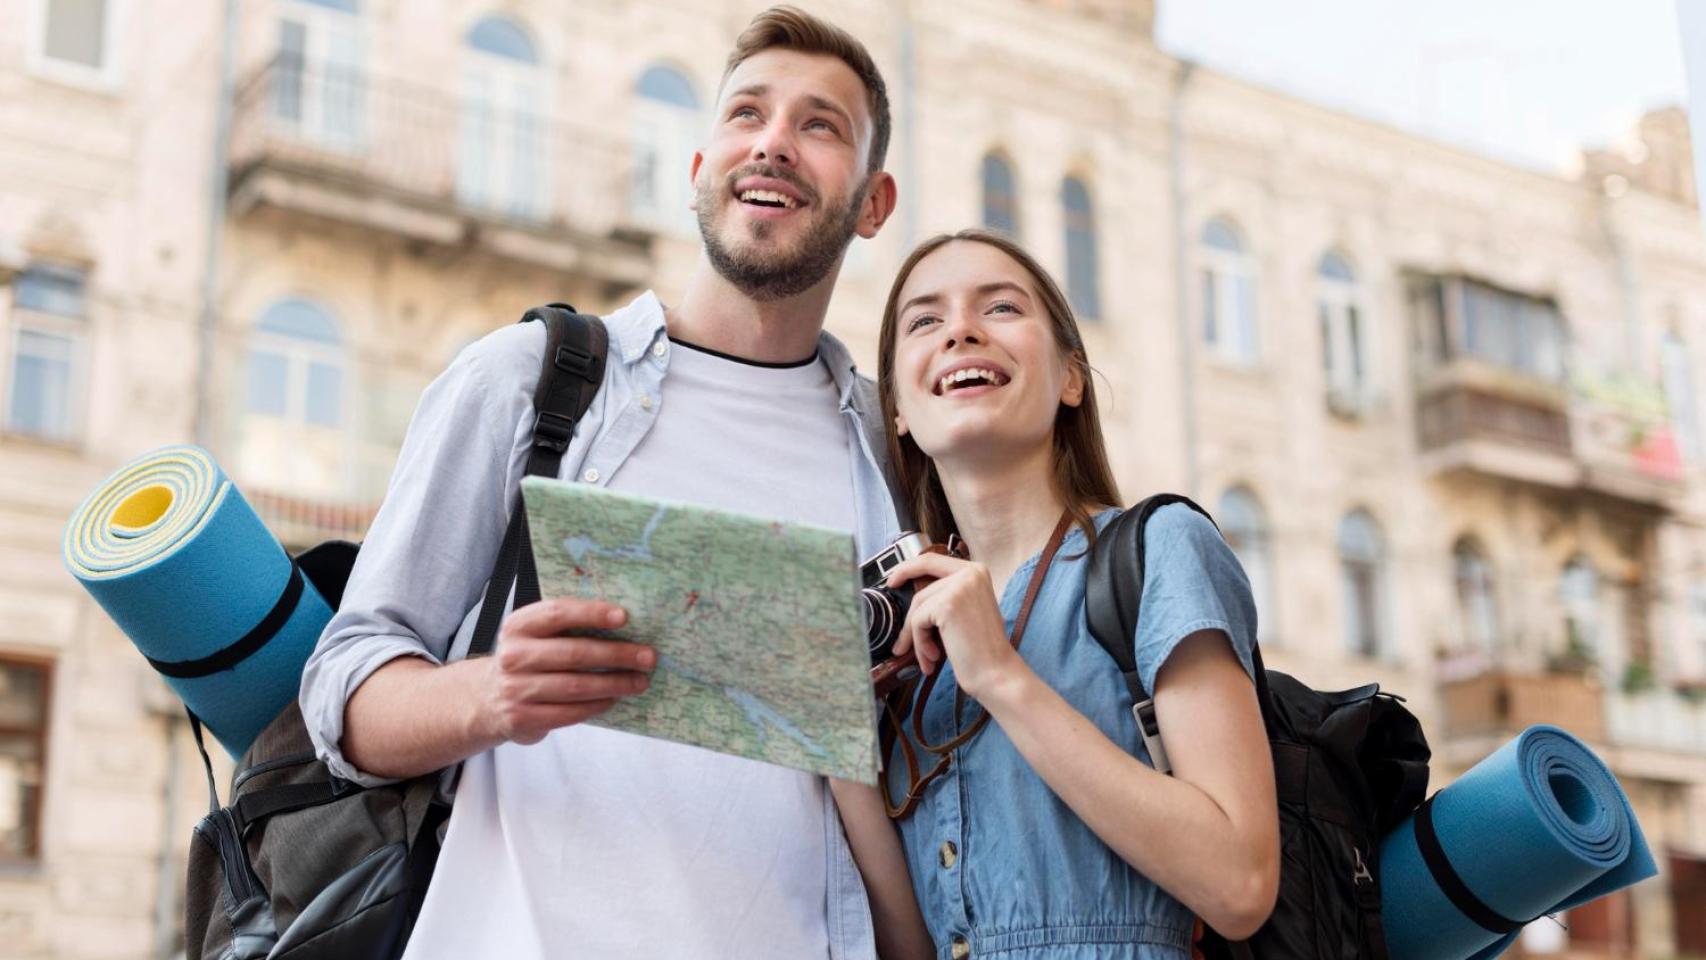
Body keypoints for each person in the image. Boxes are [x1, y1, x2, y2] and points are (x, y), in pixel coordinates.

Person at [299, 8, 933, 959]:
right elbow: (344, 687)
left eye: (820, 125)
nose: (772, 142)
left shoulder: (895, 454)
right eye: (747, 113)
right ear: (699, 170)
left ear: (874, 204)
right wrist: (492, 695)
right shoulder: (531, 381)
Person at [870, 229, 1280, 958]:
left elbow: (1241, 884)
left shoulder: (1160, 550)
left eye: (1000, 307)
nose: (960, 330)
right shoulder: (909, 635)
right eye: (925, 320)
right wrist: (825, 733)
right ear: (897, 408)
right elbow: (916, 944)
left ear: (1071, 378)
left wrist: (1001, 676)